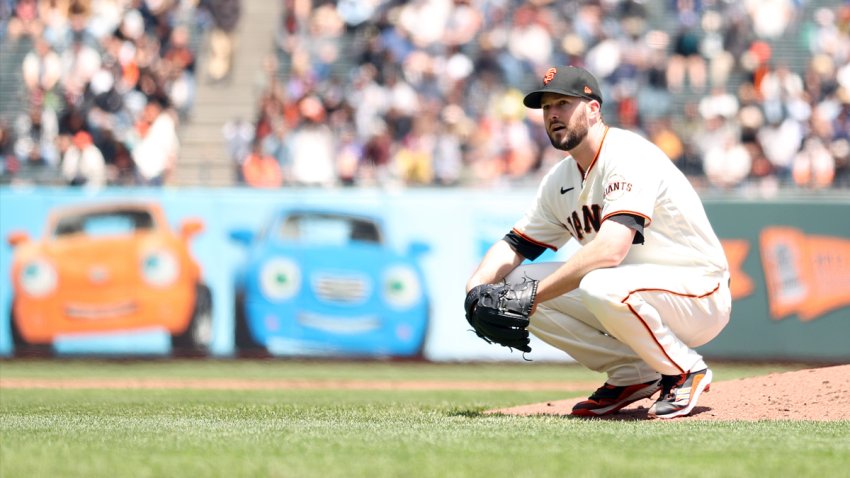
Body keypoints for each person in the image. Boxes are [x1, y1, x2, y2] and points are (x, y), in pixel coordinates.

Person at [466, 66, 731, 419]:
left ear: (593, 109)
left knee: (590, 283)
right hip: (631, 293)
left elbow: (610, 249)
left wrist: (531, 298)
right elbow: (515, 244)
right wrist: (475, 290)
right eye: (546, 108)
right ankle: (633, 374)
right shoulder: (560, 179)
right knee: (511, 284)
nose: (553, 114)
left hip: (698, 291)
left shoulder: (626, 154)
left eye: (563, 103)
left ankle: (685, 369)